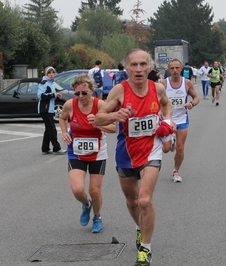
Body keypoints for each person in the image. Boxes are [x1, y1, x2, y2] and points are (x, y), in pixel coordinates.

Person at [95, 49, 174, 266]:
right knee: (132, 201)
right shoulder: (119, 90)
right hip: (126, 153)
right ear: (127, 68)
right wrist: (113, 115)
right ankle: (141, 228)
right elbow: (97, 120)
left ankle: (145, 250)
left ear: (149, 67)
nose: (138, 69)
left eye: (142, 64)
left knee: (144, 200)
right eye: (134, 65)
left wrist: (168, 121)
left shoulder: (157, 88)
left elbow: (167, 105)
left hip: (152, 149)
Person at [59, 74, 115, 233]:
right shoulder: (70, 105)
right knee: (77, 189)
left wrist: (98, 125)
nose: (81, 97)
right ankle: (86, 205)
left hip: (98, 153)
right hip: (76, 152)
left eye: (84, 93)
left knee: (94, 191)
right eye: (77, 93)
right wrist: (64, 132)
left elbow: (115, 128)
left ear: (92, 91)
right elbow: (62, 118)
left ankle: (97, 217)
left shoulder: (101, 106)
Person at [161, 59, 199, 183]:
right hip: (167, 119)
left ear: (181, 69)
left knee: (181, 148)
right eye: (172, 68)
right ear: (168, 70)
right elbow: (155, 100)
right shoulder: (163, 84)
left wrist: (192, 103)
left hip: (182, 118)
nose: (175, 71)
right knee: (165, 149)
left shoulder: (186, 83)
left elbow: (196, 97)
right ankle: (171, 141)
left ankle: (176, 171)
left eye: (177, 68)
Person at [37, 66, 67, 155]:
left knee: (48, 129)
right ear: (46, 74)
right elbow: (40, 96)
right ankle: (56, 148)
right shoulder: (44, 83)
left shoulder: (52, 83)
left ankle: (45, 148)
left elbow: (51, 94)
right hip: (45, 109)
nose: (51, 74)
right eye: (49, 73)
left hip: (49, 109)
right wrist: (53, 95)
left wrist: (56, 95)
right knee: (52, 129)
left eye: (52, 72)